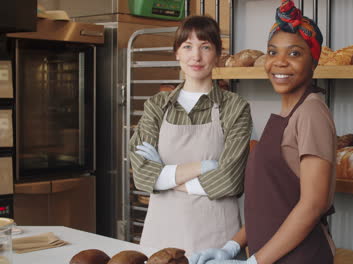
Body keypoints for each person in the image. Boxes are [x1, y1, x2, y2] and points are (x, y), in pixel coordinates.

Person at [189, 1, 336, 263]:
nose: (279, 62)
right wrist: (232, 246)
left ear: (313, 61)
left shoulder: (311, 113)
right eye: (272, 52)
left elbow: (312, 206)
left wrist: (256, 262)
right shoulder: (283, 114)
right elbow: (270, 206)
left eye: (294, 54)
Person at [128, 15, 252, 255]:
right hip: (161, 236)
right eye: (187, 47)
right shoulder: (157, 105)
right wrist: (204, 166)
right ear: (176, 53)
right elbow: (142, 176)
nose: (196, 56)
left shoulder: (235, 107)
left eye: (205, 47)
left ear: (217, 55)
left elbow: (230, 180)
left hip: (215, 239)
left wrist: (164, 177)